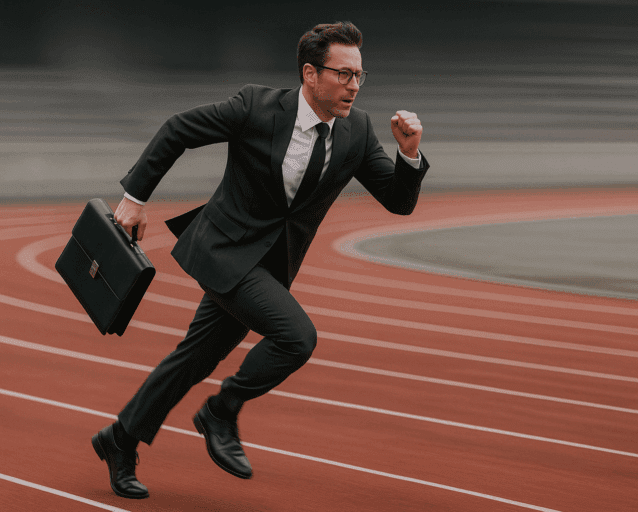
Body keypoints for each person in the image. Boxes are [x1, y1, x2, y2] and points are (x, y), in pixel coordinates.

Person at [90, 21, 429, 499]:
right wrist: (135, 198)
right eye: (343, 74)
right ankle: (221, 410)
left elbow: (398, 202)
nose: (354, 85)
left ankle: (119, 439)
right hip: (224, 251)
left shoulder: (356, 131)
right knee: (296, 338)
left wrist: (409, 156)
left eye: (359, 75)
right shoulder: (256, 107)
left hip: (271, 266)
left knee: (194, 358)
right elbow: (178, 129)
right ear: (310, 74)